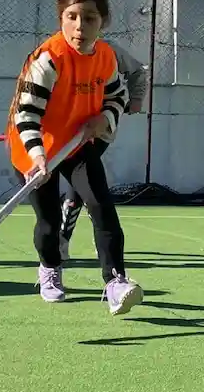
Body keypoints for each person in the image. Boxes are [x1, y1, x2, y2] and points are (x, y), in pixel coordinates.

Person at [6, 0, 144, 315]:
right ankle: (50, 269)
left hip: (79, 143)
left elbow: (117, 95)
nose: (80, 27)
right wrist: (37, 157)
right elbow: (26, 115)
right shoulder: (48, 59)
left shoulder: (106, 57)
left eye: (90, 18)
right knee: (49, 222)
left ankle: (115, 283)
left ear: (103, 21)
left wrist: (105, 119)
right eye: (72, 17)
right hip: (35, 146)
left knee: (101, 206)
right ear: (61, 18)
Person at [59, 42, 148, 262]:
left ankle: (67, 240)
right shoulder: (58, 52)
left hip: (99, 130)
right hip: (67, 129)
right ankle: (67, 239)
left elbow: (138, 70)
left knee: (83, 181)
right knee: (80, 184)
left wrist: (136, 98)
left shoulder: (109, 50)